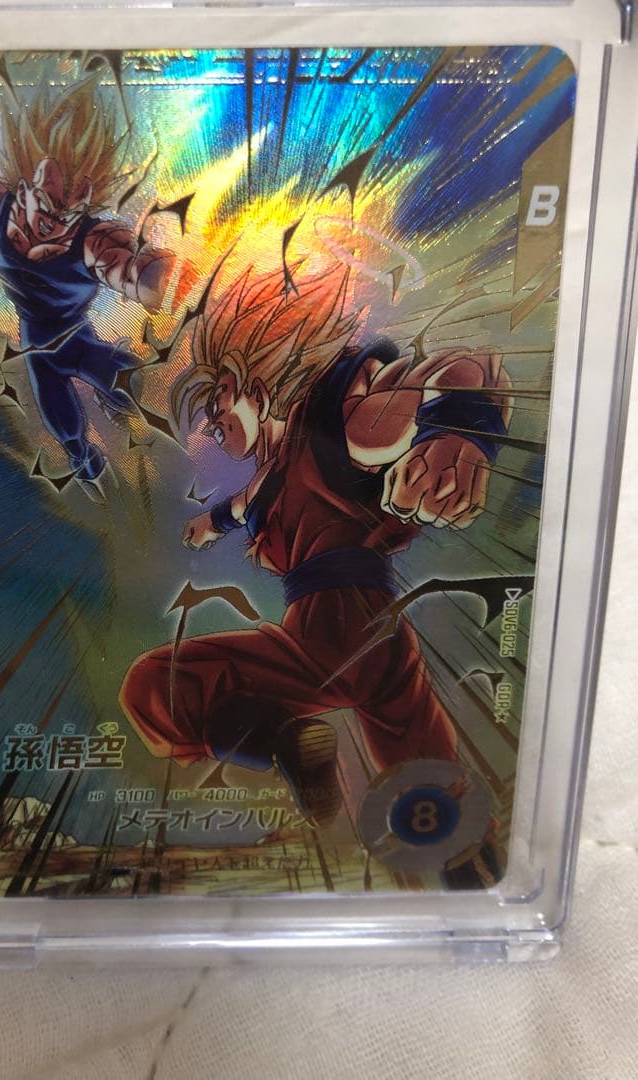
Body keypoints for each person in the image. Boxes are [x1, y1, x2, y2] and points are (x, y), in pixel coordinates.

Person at [120, 264, 511, 839]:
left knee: (158, 687)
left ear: (250, 382)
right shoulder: (279, 469)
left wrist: (457, 435)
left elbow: (461, 369)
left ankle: (284, 742)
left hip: (333, 630)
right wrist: (209, 523)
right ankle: (466, 851)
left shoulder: (336, 418)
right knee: (429, 794)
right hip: (382, 634)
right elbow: (245, 504)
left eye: (218, 400)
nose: (213, 421)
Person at [0, 78, 174, 480]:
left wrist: (153, 278)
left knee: (134, 383)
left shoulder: (92, 239)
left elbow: (131, 276)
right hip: (37, 349)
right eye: (47, 206)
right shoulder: (0, 206)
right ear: (27, 185)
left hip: (77, 342)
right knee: (69, 434)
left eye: (69, 214)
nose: (54, 224)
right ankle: (86, 460)